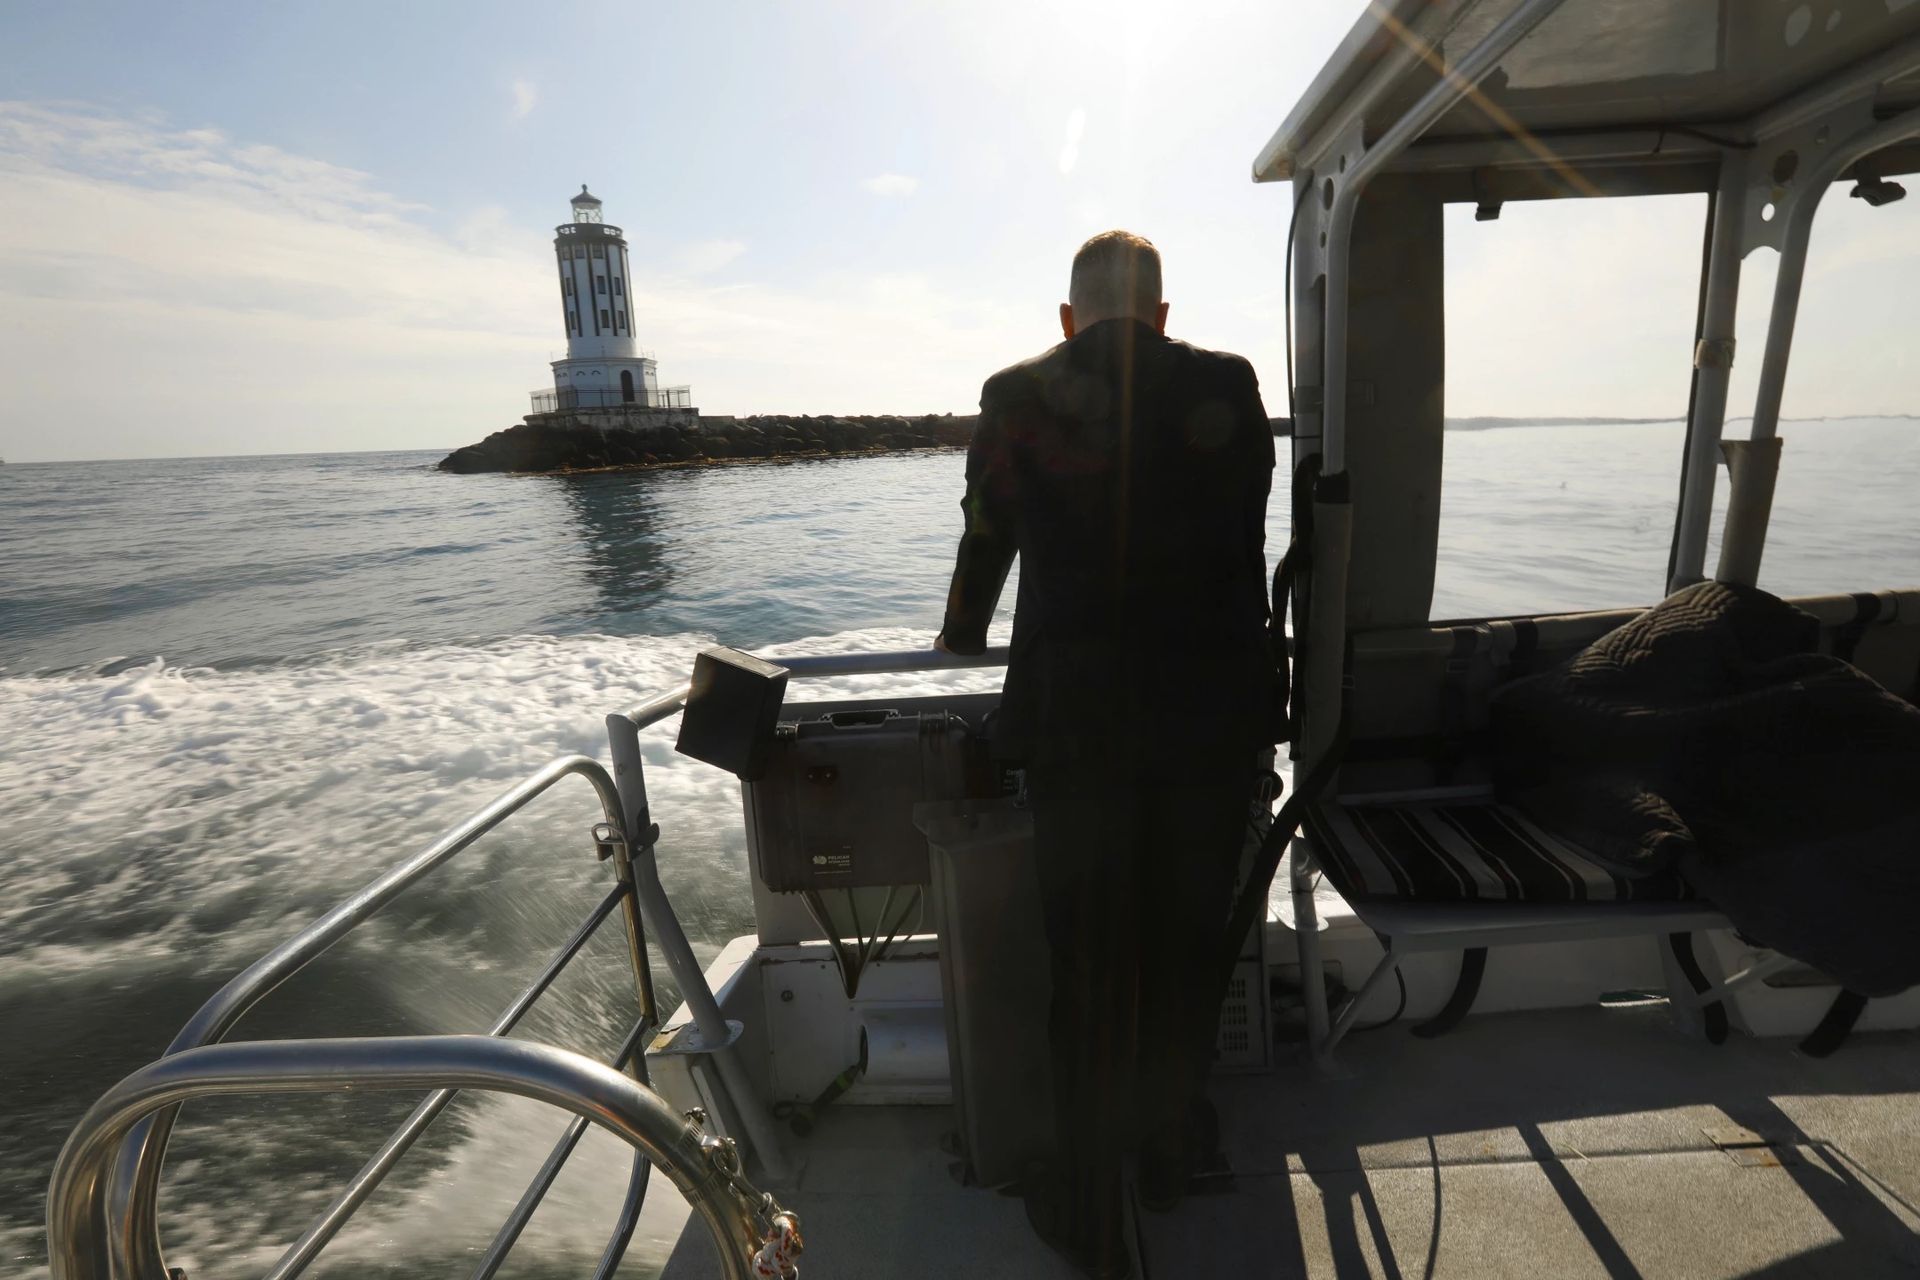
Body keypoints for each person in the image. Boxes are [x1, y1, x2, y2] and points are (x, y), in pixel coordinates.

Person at [935, 230, 1276, 1277]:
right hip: (1213, 725)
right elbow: (1245, 533)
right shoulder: (1229, 382)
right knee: (1182, 955)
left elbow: (987, 531)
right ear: (1163, 314)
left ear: (1068, 319)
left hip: (1081, 729)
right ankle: (1168, 1151)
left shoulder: (1016, 391)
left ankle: (1086, 1204)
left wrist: (961, 633)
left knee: (1088, 968)